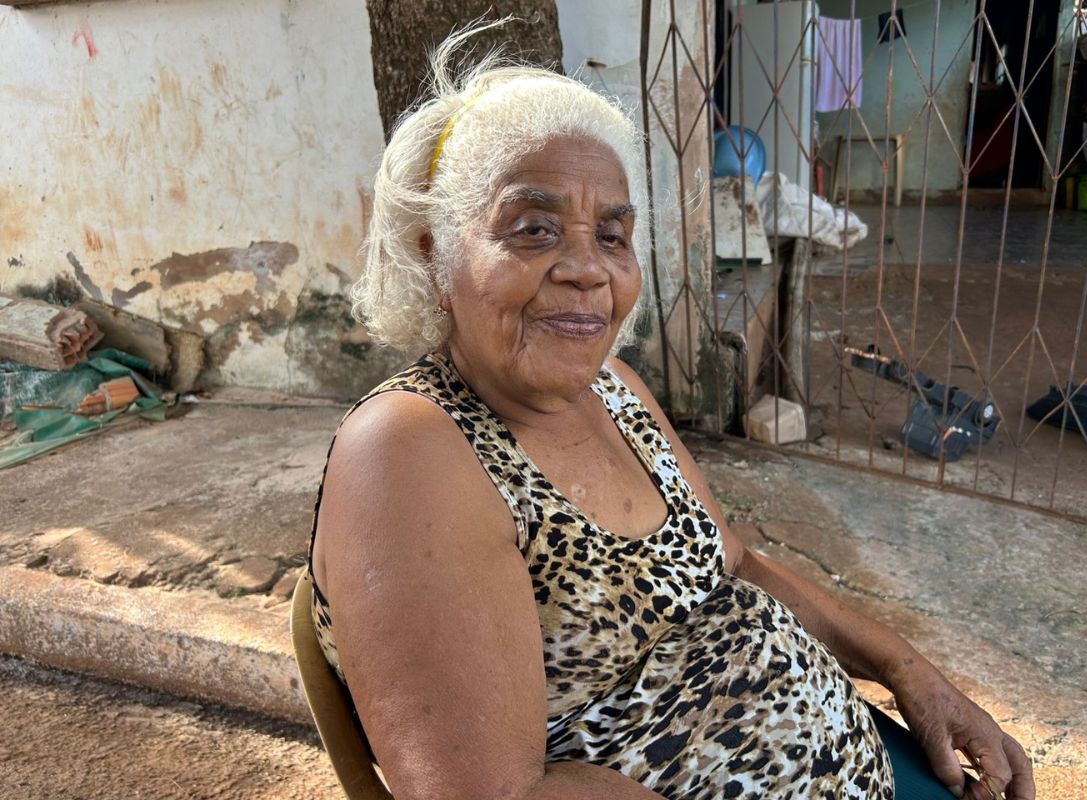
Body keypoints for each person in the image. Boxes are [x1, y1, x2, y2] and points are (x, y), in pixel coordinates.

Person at [307, 24, 1035, 800]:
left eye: (613, 235)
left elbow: (735, 564)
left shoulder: (614, 390)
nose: (589, 269)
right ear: (431, 255)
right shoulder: (409, 452)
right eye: (534, 229)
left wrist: (908, 673)